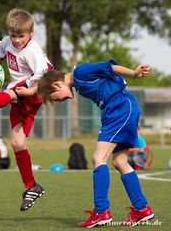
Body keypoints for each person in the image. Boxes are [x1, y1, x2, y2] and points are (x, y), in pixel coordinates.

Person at [37, 60, 154, 227]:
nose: (58, 101)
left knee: (98, 158)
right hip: (119, 108)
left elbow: (111, 67)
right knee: (120, 162)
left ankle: (101, 212)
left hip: (119, 107)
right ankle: (142, 209)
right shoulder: (78, 83)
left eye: (54, 98)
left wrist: (134, 73)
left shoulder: (80, 73)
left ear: (57, 84)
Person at [0, 8, 53, 211]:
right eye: (13, 35)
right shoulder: (6, 42)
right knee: (16, 143)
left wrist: (31, 90)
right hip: (19, 90)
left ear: (30, 33)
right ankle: (32, 186)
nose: (16, 40)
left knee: (12, 92)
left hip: (35, 87)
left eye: (21, 36)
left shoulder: (32, 51)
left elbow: (43, 75)